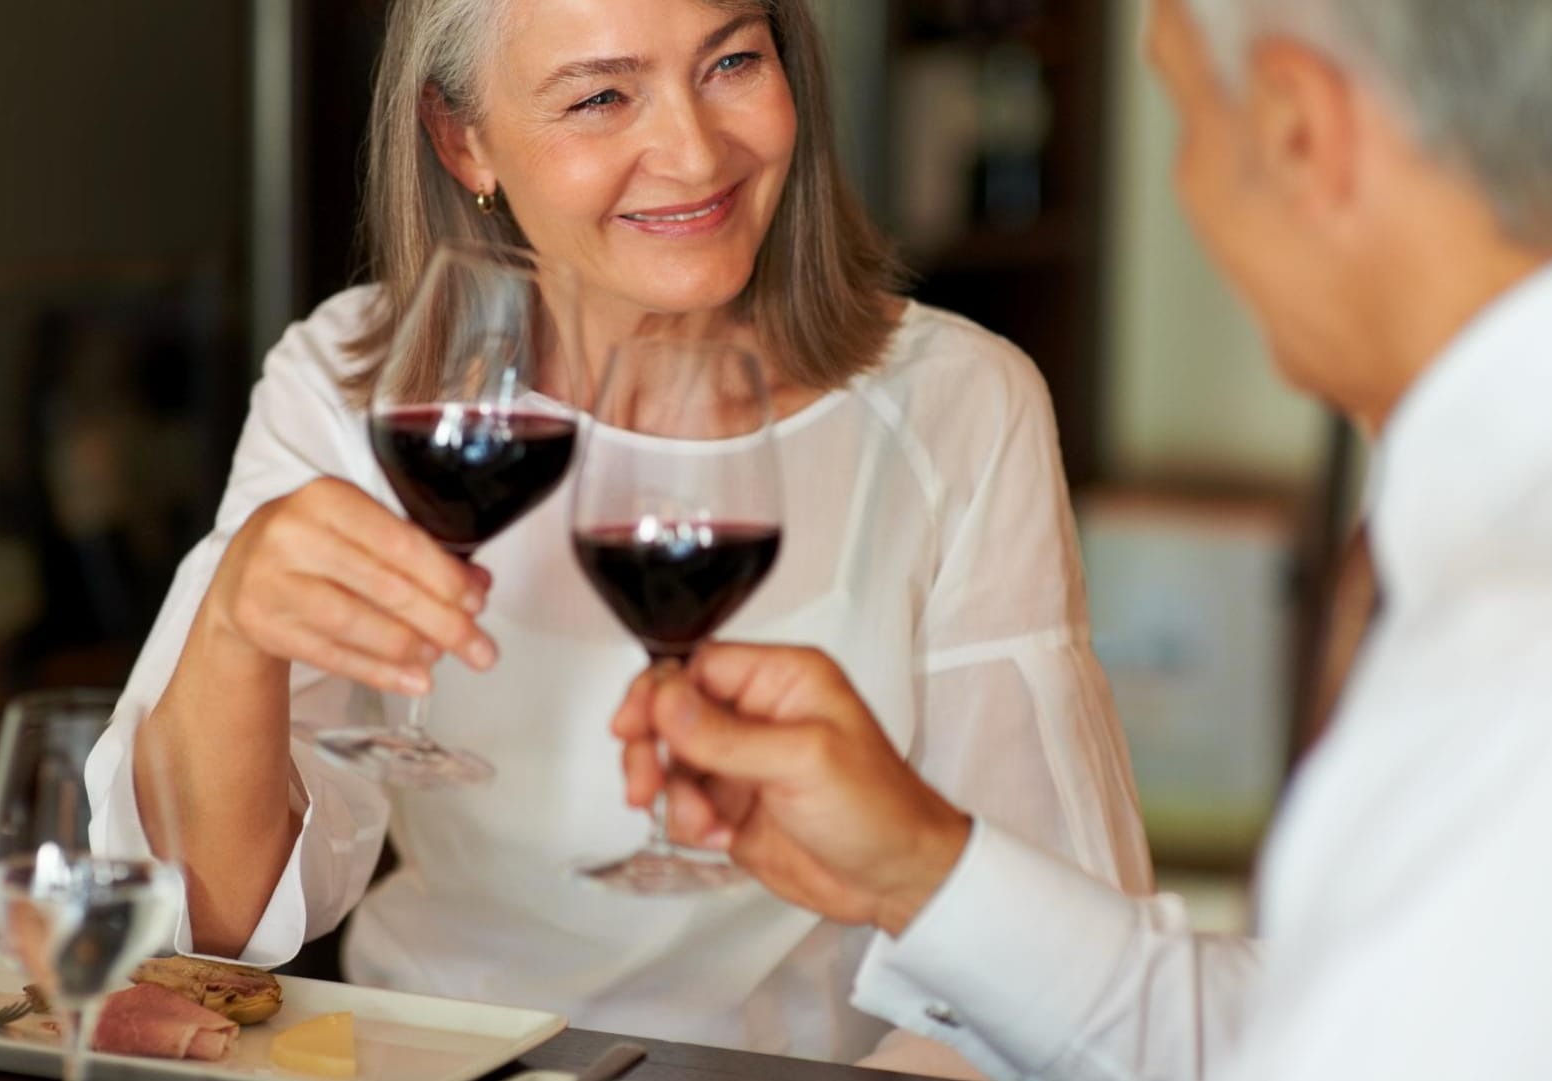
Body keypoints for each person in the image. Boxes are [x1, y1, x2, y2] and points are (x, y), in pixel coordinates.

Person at [86, 0, 1152, 1071]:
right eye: (601, 96)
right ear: (463, 140)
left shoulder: (959, 403)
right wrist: (233, 626)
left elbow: (1046, 967)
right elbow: (199, 925)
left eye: (732, 60)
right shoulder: (351, 381)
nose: (693, 153)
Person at [611, 0, 1552, 1077]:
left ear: (1299, 129)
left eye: (1188, 114)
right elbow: (1348, 1032)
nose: (1185, 189)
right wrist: (921, 870)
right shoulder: (1550, 547)